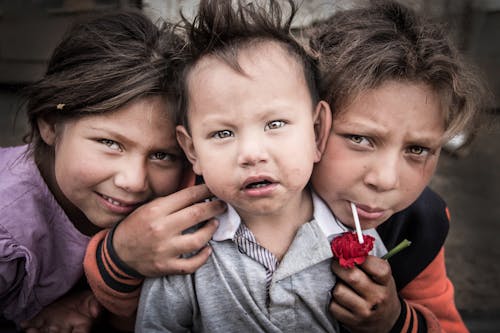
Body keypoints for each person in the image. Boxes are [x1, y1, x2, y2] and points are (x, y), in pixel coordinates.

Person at [135, 0, 389, 331]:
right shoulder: (183, 247)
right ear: (192, 150)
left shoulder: (358, 239)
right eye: (223, 133)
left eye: (275, 124)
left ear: (316, 132)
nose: (251, 154)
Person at [0, 10, 225, 333]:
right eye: (110, 143)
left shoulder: (184, 190)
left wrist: (100, 283)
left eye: (162, 154)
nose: (133, 181)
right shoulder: (8, 233)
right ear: (50, 123)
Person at [309, 1, 487, 332]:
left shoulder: (417, 223)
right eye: (360, 139)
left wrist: (396, 321)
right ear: (311, 122)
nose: (386, 180)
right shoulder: (226, 198)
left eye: (418, 149)